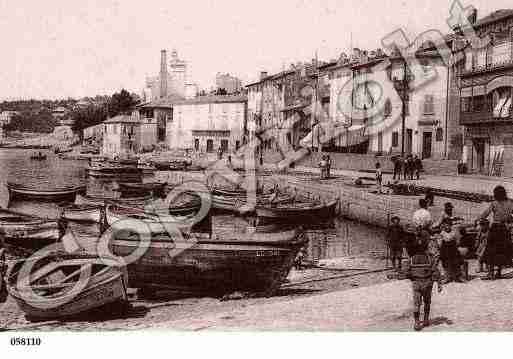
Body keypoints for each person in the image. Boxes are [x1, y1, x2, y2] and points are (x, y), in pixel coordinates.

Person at [405, 231, 443, 331]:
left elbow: (407, 272)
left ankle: (417, 322)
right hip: (427, 283)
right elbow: (435, 271)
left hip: (416, 284)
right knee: (427, 302)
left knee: (416, 304)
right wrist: (439, 283)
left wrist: (411, 277)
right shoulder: (429, 258)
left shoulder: (412, 259)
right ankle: (426, 319)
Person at [477, 185, 513, 280]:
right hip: (504, 229)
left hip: (495, 228)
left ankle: (491, 273)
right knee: (502, 251)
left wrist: (479, 220)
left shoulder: (494, 203)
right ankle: (499, 272)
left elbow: (484, 214)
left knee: (491, 251)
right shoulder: (510, 203)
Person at [438, 218, 462, 283]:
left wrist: (456, 246)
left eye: (448, 225)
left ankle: (457, 276)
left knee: (456, 262)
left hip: (453, 249)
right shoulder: (442, 233)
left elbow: (457, 241)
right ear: (444, 226)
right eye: (446, 225)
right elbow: (440, 243)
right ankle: (447, 277)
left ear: (451, 226)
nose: (447, 227)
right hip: (445, 250)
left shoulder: (454, 232)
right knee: (445, 263)